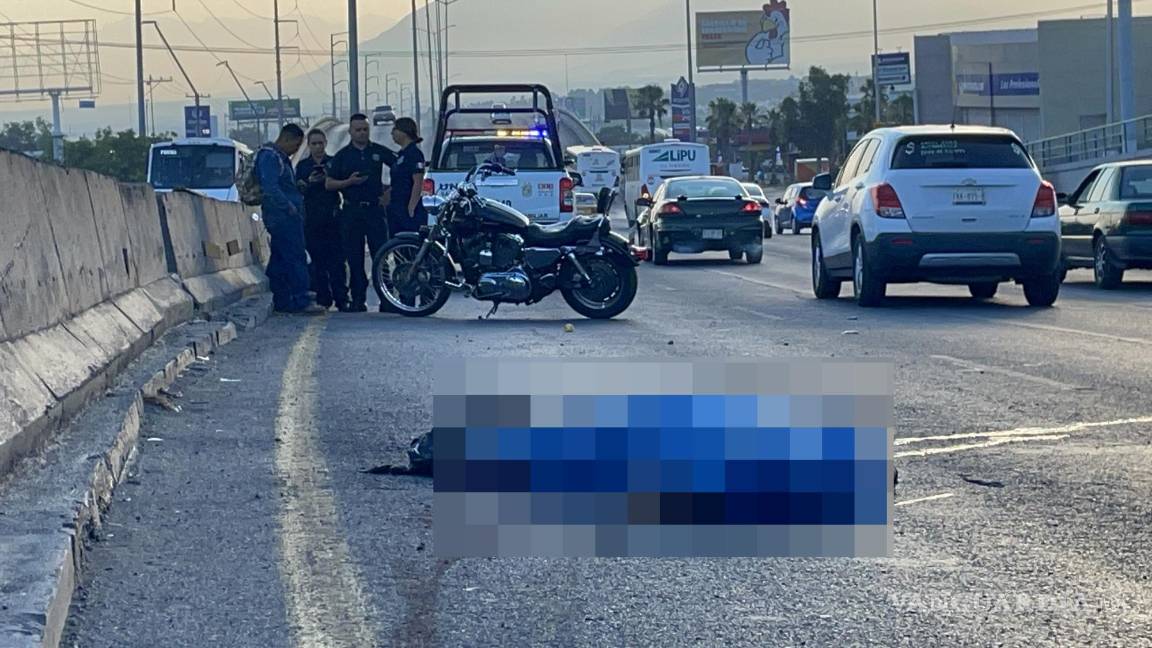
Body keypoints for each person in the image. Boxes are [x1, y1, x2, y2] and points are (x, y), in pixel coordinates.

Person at [325, 113, 397, 312]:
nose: (362, 133)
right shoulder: (343, 156)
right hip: (352, 211)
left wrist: (389, 192)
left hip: (374, 210)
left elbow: (401, 168)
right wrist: (348, 182)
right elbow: (329, 183)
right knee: (354, 257)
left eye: (365, 129)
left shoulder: (378, 151)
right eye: (358, 130)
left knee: (381, 255)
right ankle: (358, 299)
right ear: (350, 131)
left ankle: (387, 299)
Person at [257, 123, 325, 315]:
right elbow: (270, 188)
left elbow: (284, 186)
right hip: (282, 217)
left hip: (285, 216)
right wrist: (289, 207)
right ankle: (301, 299)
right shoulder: (270, 157)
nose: (295, 150)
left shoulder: (279, 157)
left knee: (279, 259)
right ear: (286, 139)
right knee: (295, 257)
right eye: (295, 145)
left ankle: (283, 299)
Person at [295, 129, 349, 312]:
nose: (318, 147)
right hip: (312, 219)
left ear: (325, 143)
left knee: (337, 261)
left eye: (320, 143)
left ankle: (342, 297)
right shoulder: (303, 166)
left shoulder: (334, 162)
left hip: (333, 217)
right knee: (317, 261)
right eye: (314, 144)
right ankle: (323, 297)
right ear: (309, 146)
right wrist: (310, 182)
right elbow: (298, 190)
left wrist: (329, 180)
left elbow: (343, 186)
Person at [388, 117, 428, 239]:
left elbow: (418, 182)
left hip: (407, 207)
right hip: (397, 206)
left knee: (409, 241)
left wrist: (411, 207)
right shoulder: (401, 154)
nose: (392, 133)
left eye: (394, 129)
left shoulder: (414, 154)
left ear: (404, 132)